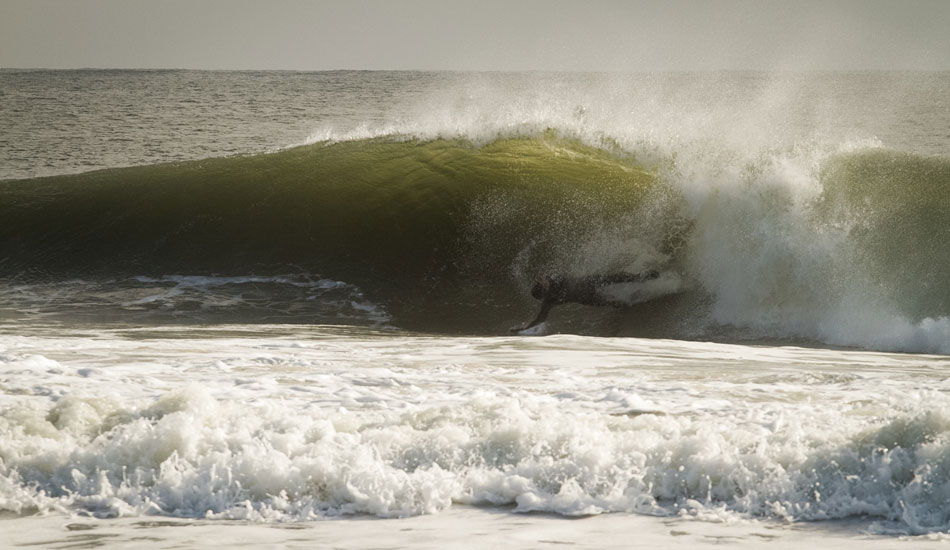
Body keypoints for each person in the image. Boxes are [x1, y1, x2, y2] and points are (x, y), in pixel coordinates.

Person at [511, 270, 660, 332]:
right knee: (615, 303)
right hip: (587, 298)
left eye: (544, 287)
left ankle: (643, 276)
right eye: (544, 291)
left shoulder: (553, 279)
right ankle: (636, 301)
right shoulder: (549, 301)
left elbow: (554, 275)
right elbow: (540, 318)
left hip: (589, 282)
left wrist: (546, 280)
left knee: (617, 277)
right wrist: (524, 330)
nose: (546, 290)